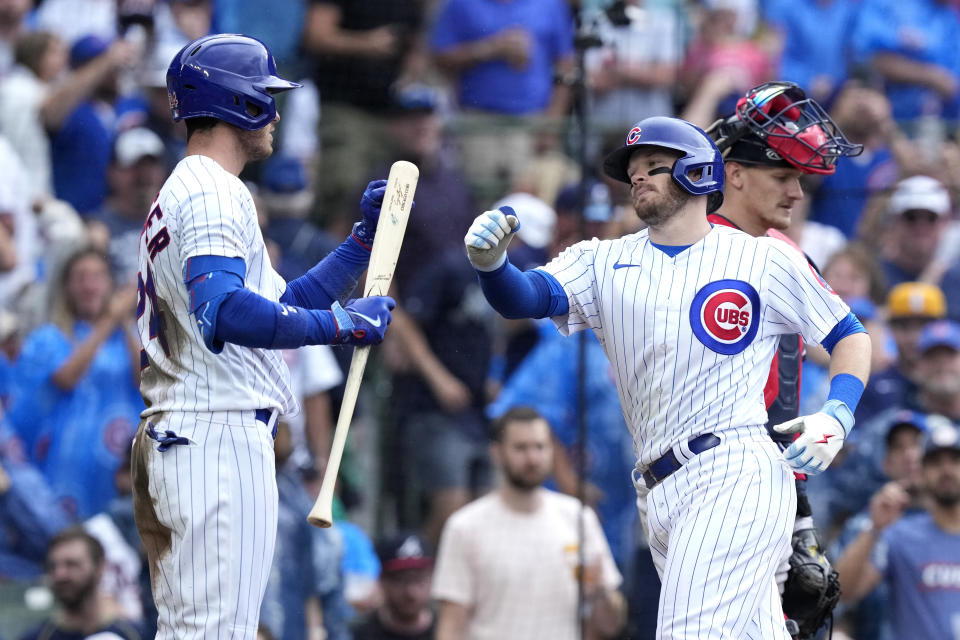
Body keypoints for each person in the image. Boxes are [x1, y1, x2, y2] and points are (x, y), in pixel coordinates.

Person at [463, 115, 872, 637]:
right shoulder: (601, 260)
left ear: (701, 174)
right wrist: (493, 266)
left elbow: (850, 336)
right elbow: (526, 299)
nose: (639, 177)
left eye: (655, 166)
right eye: (633, 171)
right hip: (656, 487)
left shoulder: (763, 258)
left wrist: (836, 414)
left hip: (735, 470)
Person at [131, 33, 396, 639]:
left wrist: (358, 246)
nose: (275, 112)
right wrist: (339, 325)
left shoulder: (198, 187)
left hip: (196, 432)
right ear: (236, 103)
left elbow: (277, 307)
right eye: (265, 96)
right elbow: (224, 311)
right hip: (212, 436)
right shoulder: (212, 189)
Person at [703, 81, 864, 636]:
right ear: (735, 174)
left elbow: (851, 335)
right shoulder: (691, 247)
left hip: (771, 471)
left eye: (798, 177)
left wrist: (834, 418)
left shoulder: (782, 248)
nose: (797, 193)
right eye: (782, 176)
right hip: (711, 475)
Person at [432, 407, 626, 640]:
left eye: (540, 447)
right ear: (497, 453)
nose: (532, 458)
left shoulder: (579, 518)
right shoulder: (464, 527)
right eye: (521, 448)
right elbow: (451, 626)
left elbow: (610, 625)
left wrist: (600, 592)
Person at [833, 420, 960, 640]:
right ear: (921, 472)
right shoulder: (900, 535)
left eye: (955, 461)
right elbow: (842, 591)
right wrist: (874, 528)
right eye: (935, 462)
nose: (947, 470)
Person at [18, 526, 143, 640]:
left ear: (100, 567)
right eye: (52, 566)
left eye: (72, 564)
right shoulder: (38, 636)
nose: (60, 575)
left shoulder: (133, 634)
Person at [353, 532, 436, 640]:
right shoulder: (362, 635)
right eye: (400, 580)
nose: (411, 592)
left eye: (419, 579)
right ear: (382, 580)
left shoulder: (446, 631)